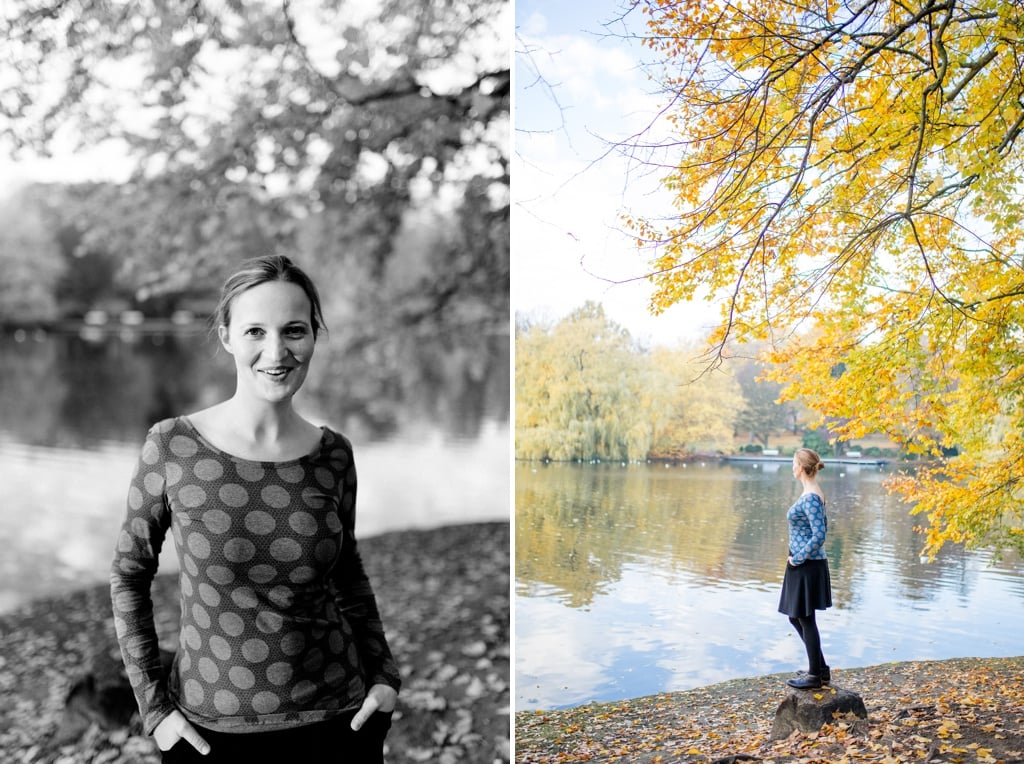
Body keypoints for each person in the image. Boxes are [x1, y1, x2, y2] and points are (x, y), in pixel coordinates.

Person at [110, 254, 401, 762]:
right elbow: (130, 572)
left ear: (313, 335)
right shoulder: (172, 445)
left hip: (339, 721)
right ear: (225, 336)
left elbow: (347, 572)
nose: (277, 351)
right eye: (255, 332)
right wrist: (154, 709)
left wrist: (384, 676)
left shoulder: (334, 454)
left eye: (294, 330)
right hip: (208, 733)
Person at [778, 447, 832, 690]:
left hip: (806, 564)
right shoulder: (811, 493)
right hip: (804, 563)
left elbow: (820, 534)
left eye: (793, 463)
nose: (792, 467)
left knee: (805, 618)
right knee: (796, 616)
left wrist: (798, 558)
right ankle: (820, 668)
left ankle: (814, 676)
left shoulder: (811, 496)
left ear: (801, 467)